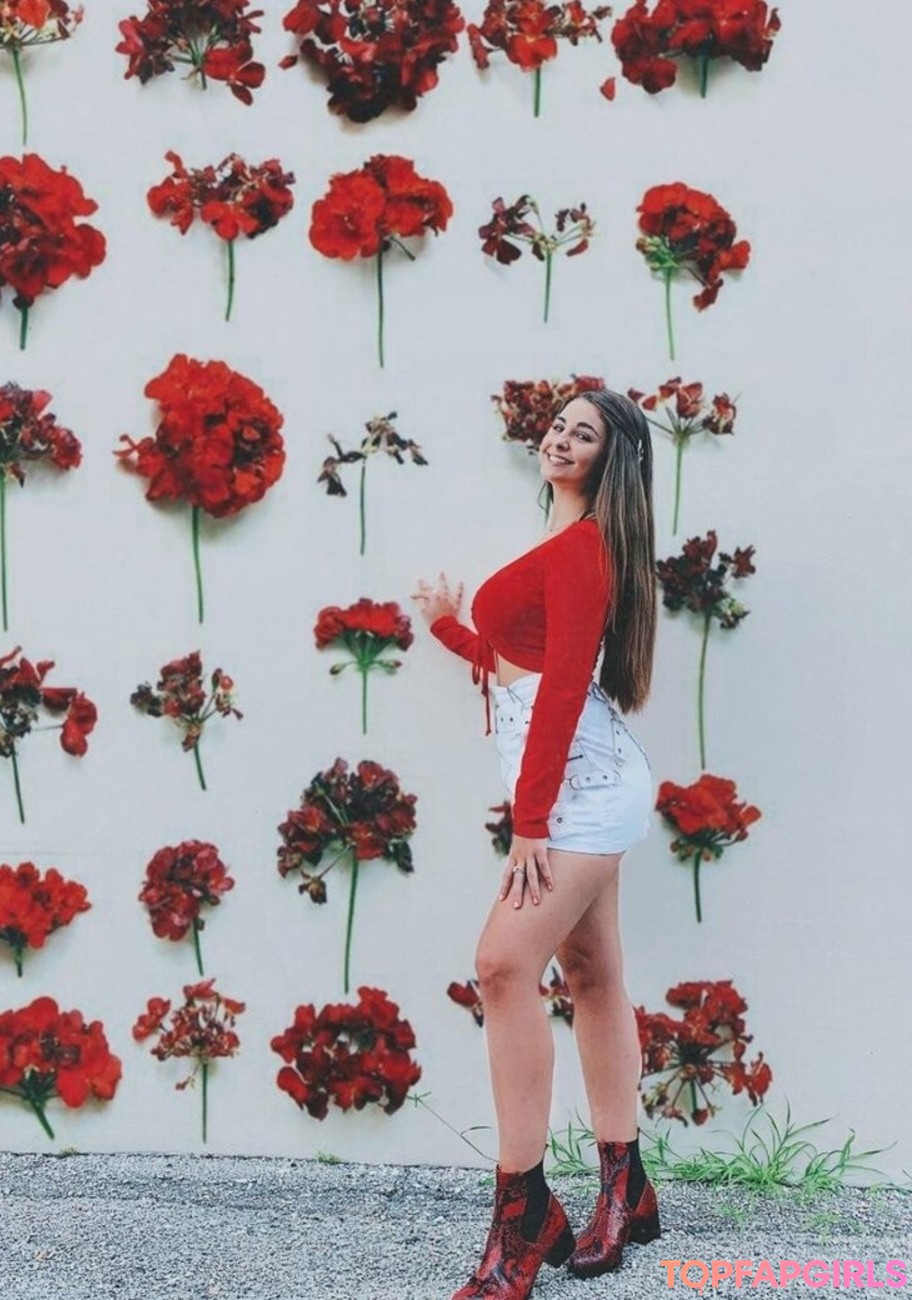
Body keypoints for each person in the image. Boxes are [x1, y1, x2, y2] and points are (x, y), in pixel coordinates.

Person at [411, 389, 660, 1299]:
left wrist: (531, 822)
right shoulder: (563, 543)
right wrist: (449, 628)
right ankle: (627, 1190)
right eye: (558, 423)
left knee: (502, 965)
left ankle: (524, 1214)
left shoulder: (588, 550)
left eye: (582, 433)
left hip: (583, 791)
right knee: (591, 974)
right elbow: (519, 666)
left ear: (609, 459)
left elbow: (560, 692)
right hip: (576, 782)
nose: (559, 436)